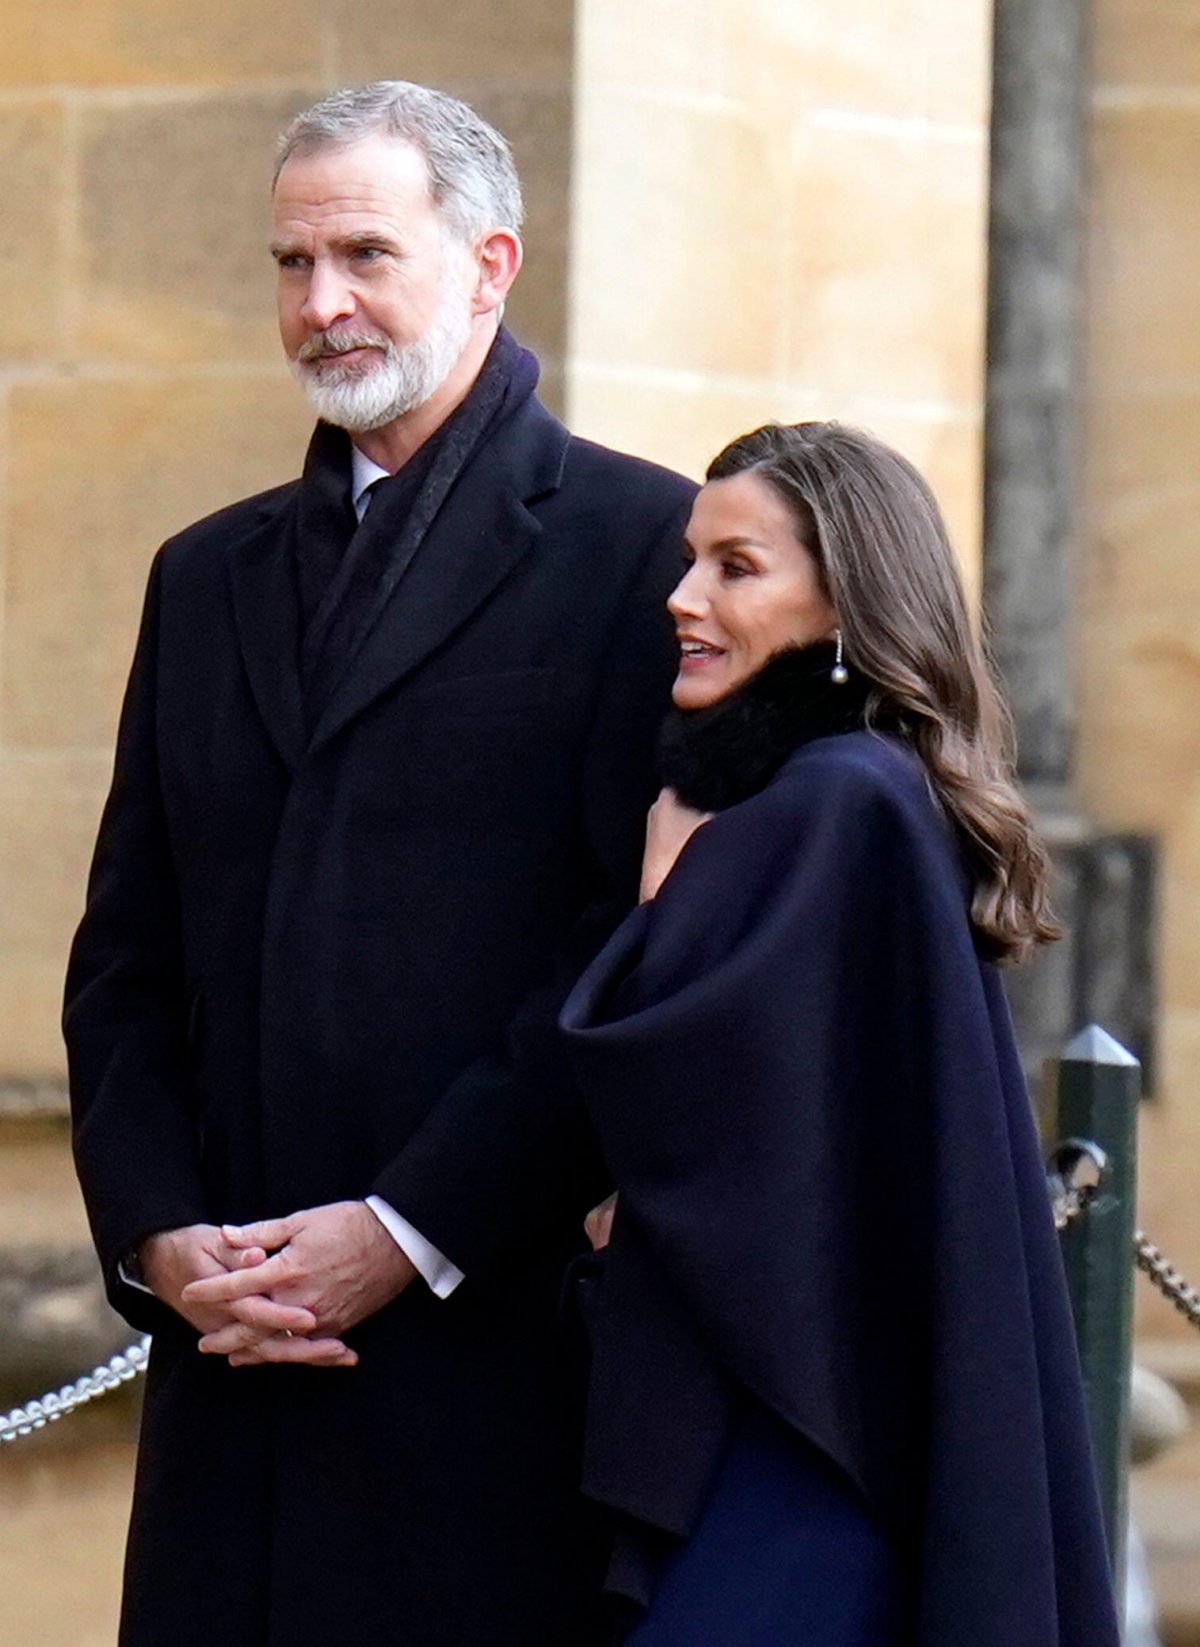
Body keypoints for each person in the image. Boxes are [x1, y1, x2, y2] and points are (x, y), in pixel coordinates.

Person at [64, 81, 695, 1647]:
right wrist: (158, 1232)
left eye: (364, 253)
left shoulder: (646, 546)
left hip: (491, 1385)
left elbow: (626, 958)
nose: (321, 303)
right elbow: (129, 955)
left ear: (490, 264)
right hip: (230, 1381)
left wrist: (403, 1229)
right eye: (291, 262)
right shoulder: (201, 573)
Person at [560, 422, 1123, 1646]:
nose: (682, 597)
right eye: (689, 560)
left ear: (840, 599)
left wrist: (666, 910)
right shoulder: (870, 789)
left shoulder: (820, 809)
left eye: (735, 567)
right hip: (854, 1409)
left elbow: (687, 1122)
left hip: (787, 1435)